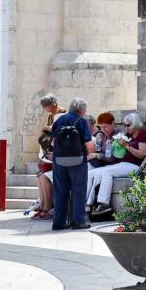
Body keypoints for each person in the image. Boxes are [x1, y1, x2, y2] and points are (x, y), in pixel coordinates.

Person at [87, 112, 146, 216]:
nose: (126, 127)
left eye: (128, 125)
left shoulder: (143, 134)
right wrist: (112, 145)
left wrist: (127, 146)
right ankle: (87, 203)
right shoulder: (127, 135)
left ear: (135, 123)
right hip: (123, 164)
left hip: (135, 166)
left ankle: (104, 204)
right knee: (92, 173)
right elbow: (116, 154)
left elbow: (142, 154)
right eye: (125, 125)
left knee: (106, 172)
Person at [51, 97, 95, 230]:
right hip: (77, 161)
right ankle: (78, 221)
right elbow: (89, 145)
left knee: (60, 191)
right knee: (78, 190)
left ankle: (58, 222)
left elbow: (53, 142)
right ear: (82, 110)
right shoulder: (81, 122)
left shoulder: (59, 120)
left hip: (59, 160)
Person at [33, 94, 66, 219]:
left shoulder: (61, 113)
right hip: (51, 148)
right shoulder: (51, 115)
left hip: (59, 151)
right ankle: (42, 204)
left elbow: (58, 129)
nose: (46, 108)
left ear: (52, 104)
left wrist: (49, 129)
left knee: (43, 176)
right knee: (39, 174)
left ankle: (47, 206)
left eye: (46, 105)